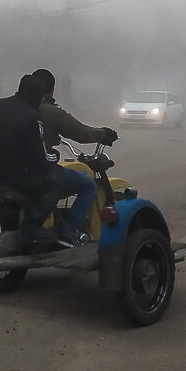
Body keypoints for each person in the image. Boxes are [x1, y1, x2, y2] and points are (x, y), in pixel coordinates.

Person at [0, 74, 62, 247]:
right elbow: (39, 160)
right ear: (38, 96)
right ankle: (31, 232)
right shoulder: (31, 118)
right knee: (54, 185)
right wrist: (54, 157)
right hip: (9, 180)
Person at [31, 68, 118, 243]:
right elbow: (82, 133)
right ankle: (68, 232)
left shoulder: (19, 107)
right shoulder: (49, 111)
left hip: (5, 172)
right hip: (36, 172)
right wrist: (105, 134)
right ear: (51, 90)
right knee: (88, 186)